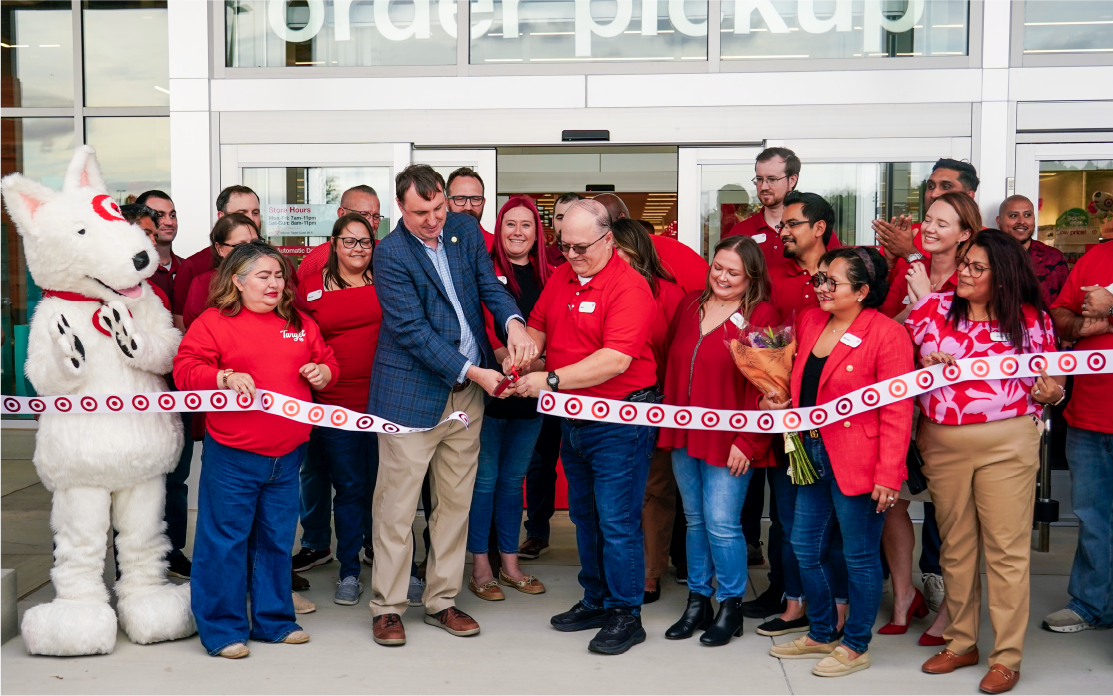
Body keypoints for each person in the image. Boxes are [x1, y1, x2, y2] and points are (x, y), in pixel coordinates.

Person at [367, 164, 535, 646]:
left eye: (440, 207)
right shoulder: (392, 254)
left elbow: (488, 286)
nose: (434, 219)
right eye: (422, 212)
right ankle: (388, 607)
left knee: (455, 506)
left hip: (466, 400)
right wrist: (476, 371)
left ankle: (442, 601)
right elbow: (412, 333)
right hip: (410, 399)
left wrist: (513, 324)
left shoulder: (462, 231)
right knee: (397, 512)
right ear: (401, 207)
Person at [911, 230, 1062, 694]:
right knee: (955, 547)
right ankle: (961, 643)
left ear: (1004, 276)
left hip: (1008, 442)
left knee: (1006, 550)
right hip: (942, 442)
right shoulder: (933, 308)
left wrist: (1050, 391)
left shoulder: (1031, 319)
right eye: (964, 263)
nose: (965, 273)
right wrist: (926, 361)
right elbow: (911, 360)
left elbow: (1053, 380)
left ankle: (1007, 657)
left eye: (977, 267)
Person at [173, 240, 338, 658]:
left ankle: (274, 622)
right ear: (237, 281)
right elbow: (185, 369)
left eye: (279, 276)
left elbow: (328, 363)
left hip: (288, 457)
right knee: (224, 541)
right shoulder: (213, 322)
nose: (274, 284)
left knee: (276, 540)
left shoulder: (299, 321)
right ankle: (222, 630)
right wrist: (223, 376)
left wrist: (322, 372)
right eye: (263, 276)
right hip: (233, 455)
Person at [509, 199, 658, 655]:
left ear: (608, 239)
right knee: (585, 517)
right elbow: (538, 328)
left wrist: (549, 379)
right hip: (575, 418)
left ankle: (625, 614)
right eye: (564, 246)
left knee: (617, 522)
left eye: (581, 248)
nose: (571, 255)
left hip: (619, 419)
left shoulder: (630, 288)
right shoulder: (561, 276)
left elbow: (614, 359)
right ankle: (596, 599)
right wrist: (520, 357)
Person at [765, 246, 912, 677]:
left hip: (861, 462)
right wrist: (776, 399)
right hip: (809, 452)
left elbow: (898, 412)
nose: (821, 288)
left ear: (863, 291)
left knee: (860, 555)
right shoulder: (811, 321)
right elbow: (797, 382)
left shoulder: (887, 334)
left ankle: (856, 644)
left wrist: (889, 474)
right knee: (805, 546)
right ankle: (823, 631)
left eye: (832, 281)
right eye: (819, 279)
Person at [659, 235, 780, 645]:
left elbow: (768, 387)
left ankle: (731, 606)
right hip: (683, 432)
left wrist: (749, 442)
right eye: (718, 267)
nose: (723, 277)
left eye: (734, 272)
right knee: (694, 520)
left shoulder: (762, 314)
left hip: (731, 440)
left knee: (724, 525)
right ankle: (698, 600)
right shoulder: (689, 303)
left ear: (751, 277)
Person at [877, 191, 982, 643]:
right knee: (890, 501)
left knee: (953, 512)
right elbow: (884, 325)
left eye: (943, 222)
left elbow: (975, 338)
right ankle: (904, 597)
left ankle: (951, 614)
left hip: (953, 411)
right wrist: (914, 313)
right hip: (903, 403)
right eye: (929, 221)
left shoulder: (975, 276)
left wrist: (922, 316)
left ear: (966, 234)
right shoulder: (910, 268)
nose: (931, 228)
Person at [743, 192, 849, 631]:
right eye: (781, 225)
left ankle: (826, 600)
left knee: (827, 520)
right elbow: (761, 336)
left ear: (819, 228)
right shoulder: (773, 277)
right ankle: (787, 591)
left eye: (791, 225)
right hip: (781, 410)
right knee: (786, 510)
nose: (781, 232)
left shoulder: (843, 273)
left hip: (834, 417)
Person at [293, 185, 386, 571]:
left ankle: (377, 551)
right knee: (346, 485)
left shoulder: (387, 276)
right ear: (335, 241)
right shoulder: (311, 283)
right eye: (350, 240)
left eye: (366, 238)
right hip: (332, 404)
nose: (359, 246)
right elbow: (298, 337)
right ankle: (346, 563)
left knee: (382, 488)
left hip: (384, 401)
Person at [467, 196, 551, 601]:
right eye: (509, 224)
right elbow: (481, 325)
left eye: (526, 225)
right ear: (498, 230)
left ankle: (510, 561)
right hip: (488, 393)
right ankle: (481, 565)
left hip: (531, 394)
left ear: (537, 232)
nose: (517, 232)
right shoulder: (485, 272)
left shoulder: (551, 275)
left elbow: (556, 329)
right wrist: (503, 362)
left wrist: (537, 370)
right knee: (483, 483)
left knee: (512, 482)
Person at [607, 218, 686, 604]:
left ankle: (651, 572)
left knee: (654, 491)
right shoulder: (601, 290)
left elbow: (676, 354)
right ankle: (616, 569)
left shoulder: (669, 294)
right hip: (606, 405)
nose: (613, 257)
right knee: (616, 494)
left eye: (619, 249)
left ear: (637, 250)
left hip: (654, 403)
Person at [1044, 242, 1113, 634]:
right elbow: (1059, 312)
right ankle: (1092, 604)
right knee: (1093, 518)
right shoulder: (1093, 258)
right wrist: (1090, 324)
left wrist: (1110, 307)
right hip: (1088, 416)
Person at [519, 193, 583, 560]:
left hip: (574, 380)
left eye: (569, 218)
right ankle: (537, 531)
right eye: (558, 217)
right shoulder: (547, 266)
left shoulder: (580, 265)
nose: (562, 224)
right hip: (540, 376)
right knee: (540, 460)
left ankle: (585, 533)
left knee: (578, 457)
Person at [133, 189, 191, 579]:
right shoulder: (133, 276)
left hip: (178, 391)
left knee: (175, 477)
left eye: (171, 214)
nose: (166, 222)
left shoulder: (186, 270)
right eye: (157, 217)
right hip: (133, 397)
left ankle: (173, 552)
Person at [724, 148, 840, 268]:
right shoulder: (741, 231)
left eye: (772, 179)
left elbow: (838, 274)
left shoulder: (815, 229)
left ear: (792, 180)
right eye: (759, 179)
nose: (763, 186)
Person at [173, 185, 262, 331]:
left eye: (256, 212)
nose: (250, 219)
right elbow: (182, 325)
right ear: (222, 217)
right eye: (241, 213)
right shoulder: (194, 267)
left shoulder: (276, 265)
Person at [594, 192, 709, 294]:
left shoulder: (671, 250)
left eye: (602, 224)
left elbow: (707, 295)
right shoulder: (590, 253)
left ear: (622, 218)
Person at [182, 214, 262, 328]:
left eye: (256, 243)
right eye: (241, 246)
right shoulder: (204, 284)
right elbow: (197, 332)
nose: (252, 251)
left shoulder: (274, 278)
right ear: (219, 249)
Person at [297, 185, 384, 283]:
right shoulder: (314, 261)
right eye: (363, 215)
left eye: (376, 217)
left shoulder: (387, 253)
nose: (371, 224)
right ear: (342, 214)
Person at [997, 194, 1069, 305]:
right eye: (1013, 215)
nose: (1021, 221)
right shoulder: (987, 255)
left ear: (1034, 219)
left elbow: (1066, 304)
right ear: (999, 221)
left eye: (1027, 215)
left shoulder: (1053, 257)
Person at [133, 190, 180, 302]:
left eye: (172, 215)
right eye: (160, 215)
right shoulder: (133, 272)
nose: (169, 222)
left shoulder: (187, 267)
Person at [446, 166, 494, 250]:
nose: (468, 207)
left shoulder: (497, 246)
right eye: (460, 199)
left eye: (475, 199)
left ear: (483, 203)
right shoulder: (433, 244)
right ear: (447, 203)